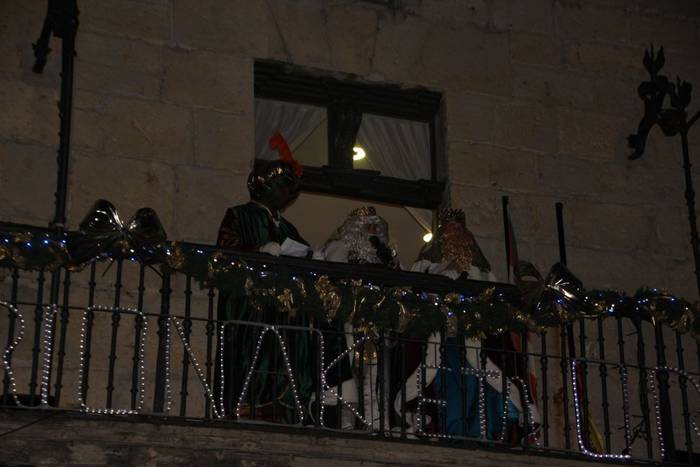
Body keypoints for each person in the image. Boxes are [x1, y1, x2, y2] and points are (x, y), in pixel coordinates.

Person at [400, 208, 539, 441]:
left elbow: (494, 297)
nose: (455, 233)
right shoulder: (428, 264)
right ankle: (449, 430)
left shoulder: (480, 269)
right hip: (445, 340)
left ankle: (481, 432)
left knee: (482, 385)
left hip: (477, 339)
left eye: (459, 228)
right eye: (450, 229)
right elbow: (417, 293)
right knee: (450, 387)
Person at [215, 132, 312, 423]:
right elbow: (225, 250)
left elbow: (301, 249)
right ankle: (247, 403)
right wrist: (257, 251)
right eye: (282, 186)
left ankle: (282, 405)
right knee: (253, 350)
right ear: (264, 186)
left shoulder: (287, 226)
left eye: (289, 189)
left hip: (283, 306)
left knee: (284, 353)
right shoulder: (239, 215)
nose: (286, 194)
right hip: (251, 302)